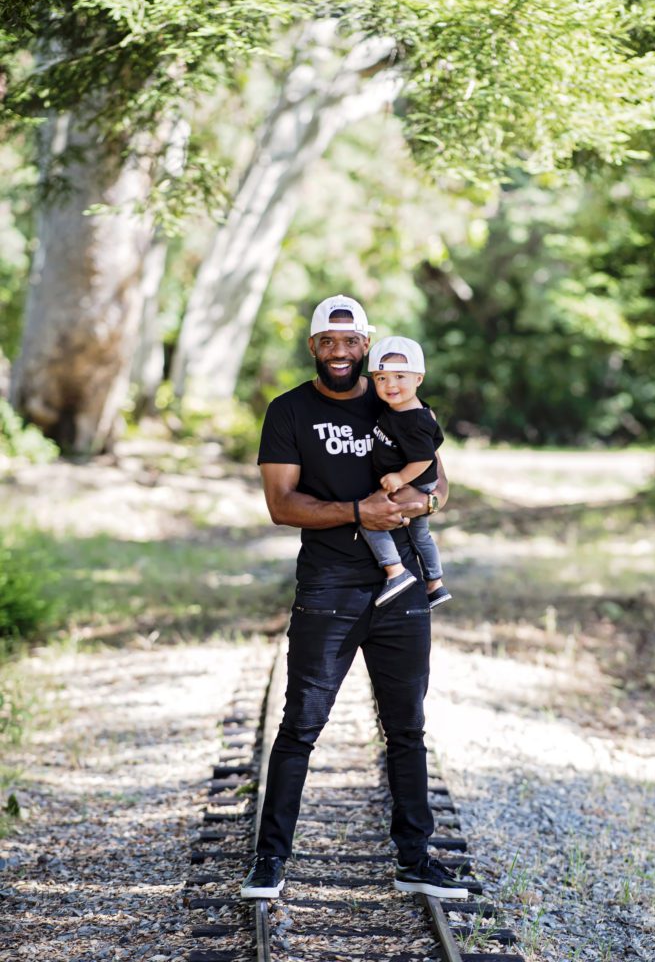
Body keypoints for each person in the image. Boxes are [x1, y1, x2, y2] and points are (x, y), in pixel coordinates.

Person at [240, 294, 469, 901]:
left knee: (407, 729)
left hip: (404, 589)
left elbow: (437, 476)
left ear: (366, 344)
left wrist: (428, 503)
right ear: (313, 346)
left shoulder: (392, 393)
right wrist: (356, 511)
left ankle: (415, 860)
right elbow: (280, 504)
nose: (340, 352)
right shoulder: (288, 411)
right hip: (329, 587)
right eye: (328, 341)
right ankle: (270, 863)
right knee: (300, 727)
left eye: (351, 341)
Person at [358, 335, 452, 610]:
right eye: (382, 378)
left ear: (418, 379)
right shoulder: (402, 409)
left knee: (369, 521)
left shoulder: (413, 419)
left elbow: (424, 457)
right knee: (420, 535)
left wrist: (400, 478)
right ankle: (435, 584)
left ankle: (395, 572)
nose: (391, 384)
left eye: (400, 376)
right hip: (418, 481)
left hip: (417, 484)